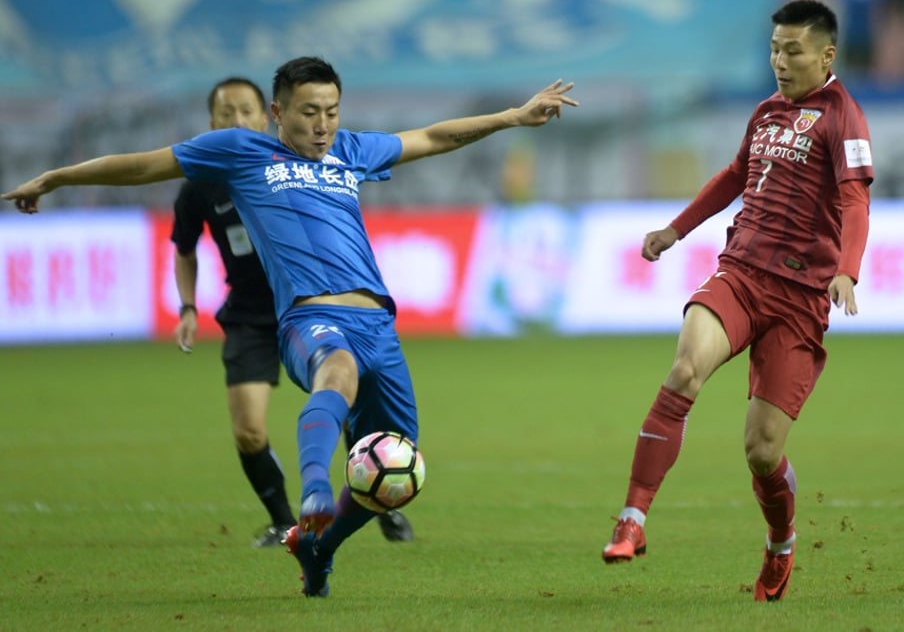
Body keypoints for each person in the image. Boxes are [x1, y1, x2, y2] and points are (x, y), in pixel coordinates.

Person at [2, 56, 578, 597]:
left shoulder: (351, 150)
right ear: (278, 112)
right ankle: (314, 492)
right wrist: (55, 178)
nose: (323, 124)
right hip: (311, 315)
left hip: (379, 322)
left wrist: (512, 117)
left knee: (399, 467)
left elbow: (431, 137)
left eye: (331, 111)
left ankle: (317, 547)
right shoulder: (240, 151)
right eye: (309, 112)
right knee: (338, 372)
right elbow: (143, 165)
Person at [600, 0, 872, 604]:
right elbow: (733, 175)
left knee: (761, 451)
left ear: (826, 54)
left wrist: (847, 271)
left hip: (800, 299)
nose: (779, 60)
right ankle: (633, 520)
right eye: (774, 48)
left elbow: (855, 202)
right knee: (684, 369)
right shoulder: (767, 112)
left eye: (792, 50)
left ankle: (780, 542)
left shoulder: (844, 117)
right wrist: (676, 229)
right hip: (741, 274)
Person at [171, 76, 413, 547]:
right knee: (248, 429)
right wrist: (187, 306)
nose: (236, 121)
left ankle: (375, 506)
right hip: (250, 315)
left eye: (246, 112)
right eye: (226, 114)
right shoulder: (202, 184)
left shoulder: (301, 164)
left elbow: (420, 142)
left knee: (348, 401)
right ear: (212, 123)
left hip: (315, 308)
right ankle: (286, 519)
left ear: (267, 116)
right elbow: (184, 248)